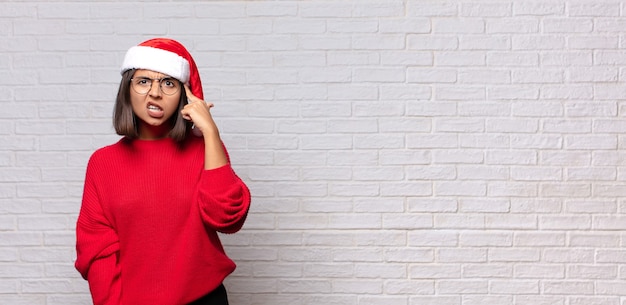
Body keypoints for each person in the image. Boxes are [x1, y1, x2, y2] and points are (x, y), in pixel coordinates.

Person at [75, 38, 251, 305]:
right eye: (143, 81)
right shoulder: (103, 162)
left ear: (184, 94)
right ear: (128, 90)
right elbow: (97, 249)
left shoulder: (205, 149)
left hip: (204, 299)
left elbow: (227, 218)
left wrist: (211, 132)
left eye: (168, 83)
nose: (155, 93)